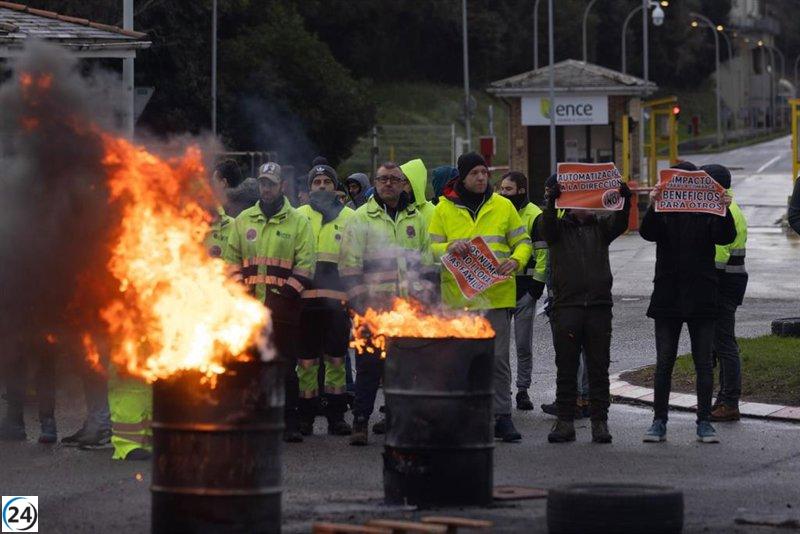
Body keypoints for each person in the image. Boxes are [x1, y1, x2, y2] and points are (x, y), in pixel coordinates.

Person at [428, 153, 532, 443]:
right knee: (461, 361)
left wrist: (516, 260)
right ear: (462, 176)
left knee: (498, 360)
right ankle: (464, 416)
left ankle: (502, 417)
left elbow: (522, 242)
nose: (481, 178)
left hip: (497, 296)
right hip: (458, 297)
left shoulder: (503, 206)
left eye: (485, 172)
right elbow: (431, 249)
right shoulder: (443, 209)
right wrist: (449, 246)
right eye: (474, 173)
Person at [640, 161, 736, 444]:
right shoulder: (665, 212)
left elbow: (725, 236)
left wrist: (723, 208)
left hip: (702, 296)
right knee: (664, 362)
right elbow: (647, 233)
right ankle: (659, 421)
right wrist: (654, 204)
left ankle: (704, 422)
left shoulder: (706, 210)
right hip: (668, 294)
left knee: (704, 363)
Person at [340, 161, 434, 445]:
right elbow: (349, 264)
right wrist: (359, 303)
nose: (389, 184)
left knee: (403, 369)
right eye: (383, 179)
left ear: (405, 184)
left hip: (408, 309)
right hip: (372, 308)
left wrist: (425, 301)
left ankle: (397, 420)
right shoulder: (360, 219)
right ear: (375, 183)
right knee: (368, 368)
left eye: (394, 179)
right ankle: (360, 421)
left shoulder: (416, 218)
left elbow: (426, 262)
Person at [224, 162, 316, 443]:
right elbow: (231, 262)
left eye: (271, 183)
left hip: (284, 311)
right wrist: (242, 297)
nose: (266, 188)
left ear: (282, 186)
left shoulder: (298, 222)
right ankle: (252, 419)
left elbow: (306, 266)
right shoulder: (243, 220)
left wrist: (284, 297)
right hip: (248, 311)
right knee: (249, 366)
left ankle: (289, 423)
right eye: (263, 183)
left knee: (285, 367)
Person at [541, 173, 631, 444]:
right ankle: (565, 421)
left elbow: (621, 223)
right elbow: (546, 228)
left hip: (598, 307)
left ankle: (599, 422)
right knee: (566, 367)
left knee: (598, 367)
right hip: (567, 306)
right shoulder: (558, 229)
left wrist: (625, 200)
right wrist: (550, 202)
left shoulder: (601, 228)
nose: (583, 205)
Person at [295, 163, 354, 436]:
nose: (321, 186)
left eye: (326, 182)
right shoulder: (297, 216)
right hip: (305, 303)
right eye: (316, 181)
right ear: (309, 188)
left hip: (337, 303)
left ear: (335, 187)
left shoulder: (350, 218)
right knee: (305, 362)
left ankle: (336, 416)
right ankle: (305, 417)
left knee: (336, 361)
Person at [700, 165, 749, 422]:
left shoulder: (724, 210)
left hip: (721, 285)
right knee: (720, 344)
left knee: (724, 344)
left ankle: (729, 401)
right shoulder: (728, 207)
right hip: (729, 283)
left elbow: (717, 256)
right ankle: (724, 399)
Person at [498, 171, 547, 411]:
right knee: (501, 348)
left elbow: (542, 254)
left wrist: (537, 286)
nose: (502, 193)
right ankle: (503, 388)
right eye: (501, 189)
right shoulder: (498, 212)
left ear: (521, 191)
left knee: (523, 345)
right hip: (500, 287)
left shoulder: (535, 215)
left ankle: (522, 390)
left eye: (508, 189)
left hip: (525, 289)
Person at [400, 158, 435, 227]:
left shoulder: (433, 212)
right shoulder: (396, 208)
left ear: (413, 184)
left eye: (403, 181)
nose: (399, 185)